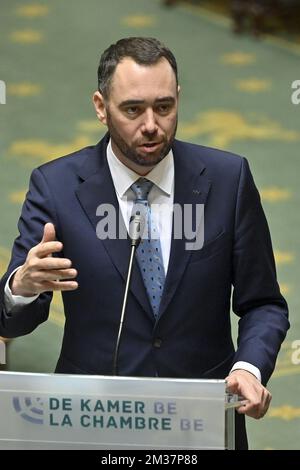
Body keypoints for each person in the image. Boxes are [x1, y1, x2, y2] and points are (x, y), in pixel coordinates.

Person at [0, 37, 289, 449]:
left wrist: (248, 368)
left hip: (202, 419)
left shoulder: (229, 179)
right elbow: (10, 321)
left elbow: (263, 303)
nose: (151, 124)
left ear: (178, 100)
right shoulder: (57, 187)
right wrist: (21, 289)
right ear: (101, 107)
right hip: (94, 420)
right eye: (133, 109)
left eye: (164, 107)